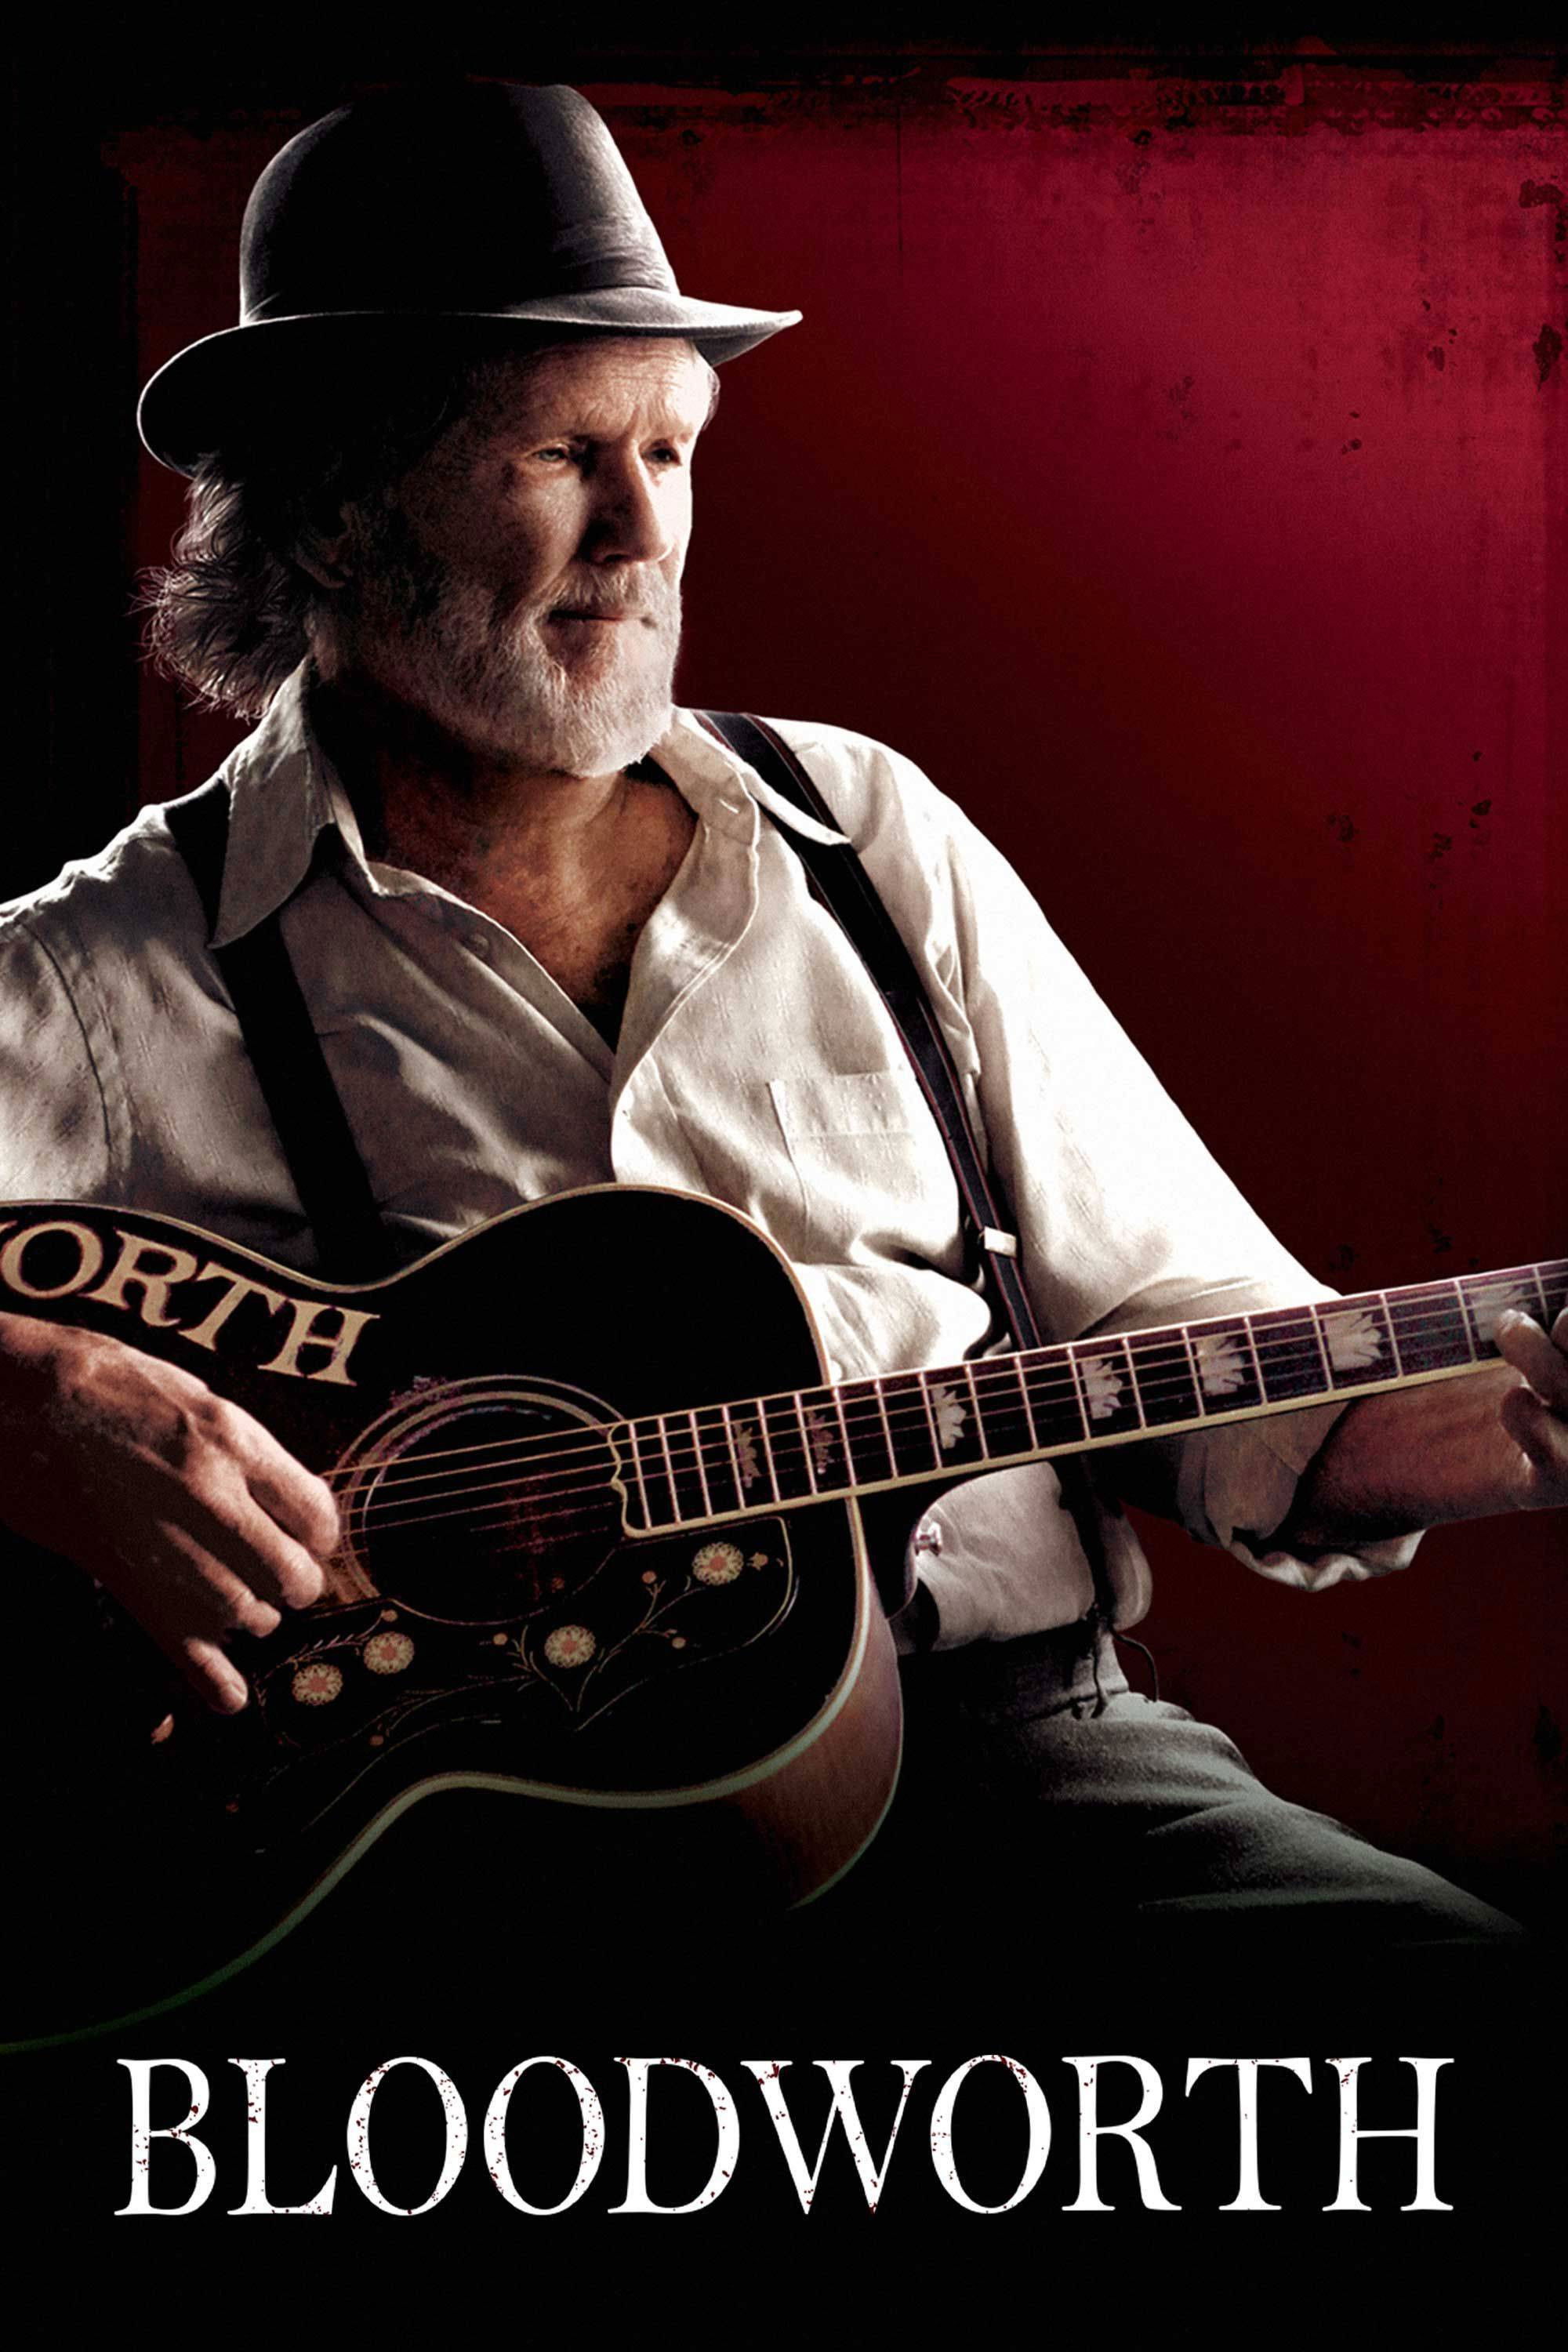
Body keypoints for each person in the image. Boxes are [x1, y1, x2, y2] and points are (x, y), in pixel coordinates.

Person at [1, 80, 1563, 2038]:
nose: (643, 532)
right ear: (332, 505)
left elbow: (1183, 1330)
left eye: (670, 449)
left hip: (1029, 1780)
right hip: (458, 1880)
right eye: (561, 454)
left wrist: (1507, 1428)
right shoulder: (107, 974)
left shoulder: (863, 837)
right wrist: (32, 1397)